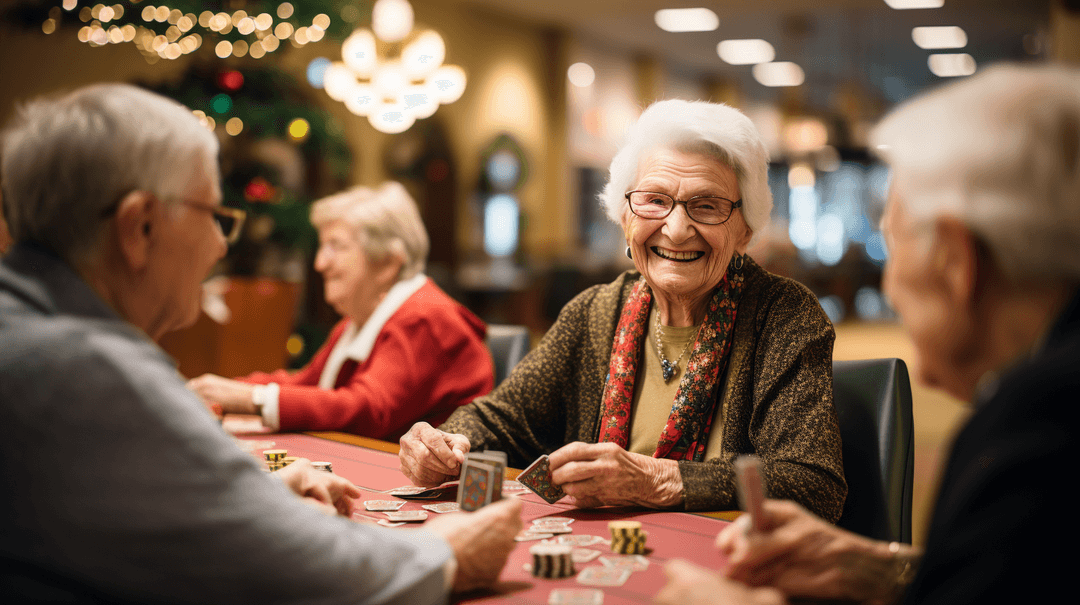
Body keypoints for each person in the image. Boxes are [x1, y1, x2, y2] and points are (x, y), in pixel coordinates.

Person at [0, 83, 522, 604]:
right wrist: (444, 555)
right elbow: (292, 566)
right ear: (139, 227)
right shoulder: (90, 370)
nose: (221, 245)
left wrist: (260, 493)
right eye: (214, 216)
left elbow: (114, 512)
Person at [654, 64, 1080, 605]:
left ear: (955, 262)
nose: (919, 374)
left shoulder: (1039, 424)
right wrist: (879, 568)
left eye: (895, 251)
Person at [399, 99, 847, 516]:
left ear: (745, 229)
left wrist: (656, 479)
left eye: (706, 206)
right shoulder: (595, 312)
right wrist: (447, 442)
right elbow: (502, 419)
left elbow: (812, 485)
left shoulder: (785, 317)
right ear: (625, 215)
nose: (675, 229)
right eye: (654, 200)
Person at [187, 183, 494, 440]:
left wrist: (250, 399)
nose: (320, 263)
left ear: (388, 262)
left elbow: (368, 409)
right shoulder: (359, 320)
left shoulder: (425, 317)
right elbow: (308, 382)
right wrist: (223, 390)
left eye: (336, 246)